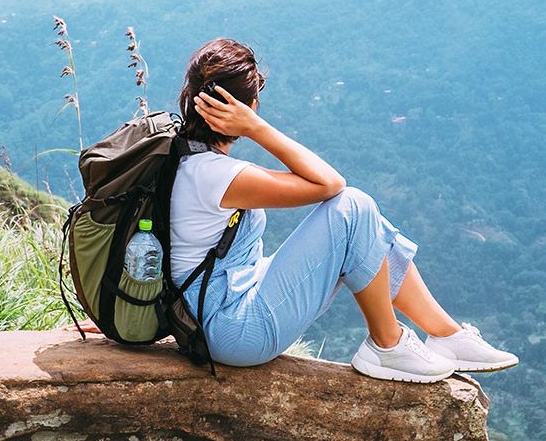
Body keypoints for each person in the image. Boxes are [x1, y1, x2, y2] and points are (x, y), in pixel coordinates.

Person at [169, 37, 517, 382]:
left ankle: (447, 336)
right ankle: (386, 344)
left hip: (222, 305)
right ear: (246, 108)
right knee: (353, 207)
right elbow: (330, 184)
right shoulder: (213, 175)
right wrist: (258, 130)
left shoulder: (186, 157)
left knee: (367, 224)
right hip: (234, 330)